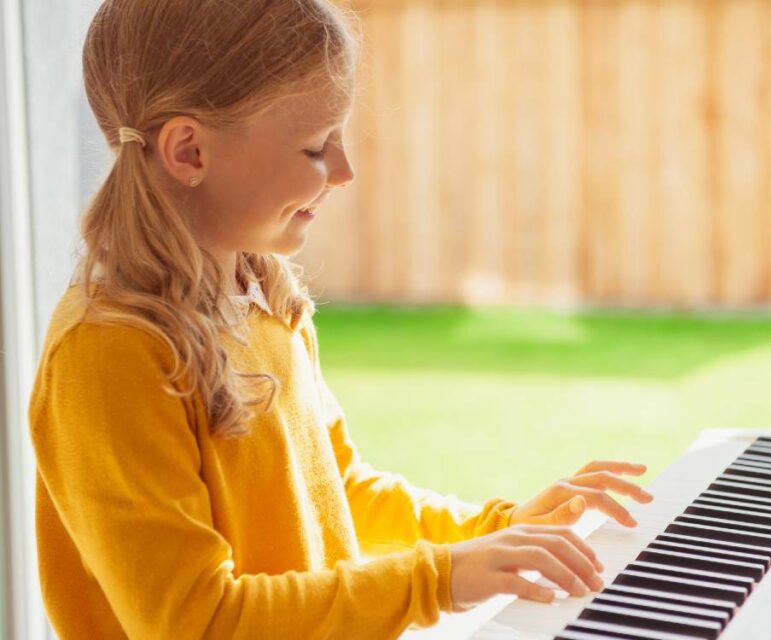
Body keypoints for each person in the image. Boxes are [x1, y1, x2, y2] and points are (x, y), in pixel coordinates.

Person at [28, 1, 654, 638]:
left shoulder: (263, 296)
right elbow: (198, 620)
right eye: (314, 147)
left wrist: (496, 529)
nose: (345, 171)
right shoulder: (108, 353)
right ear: (189, 151)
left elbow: (341, 490)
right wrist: (438, 579)